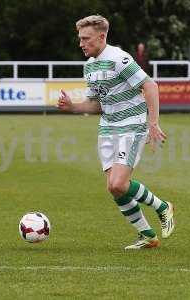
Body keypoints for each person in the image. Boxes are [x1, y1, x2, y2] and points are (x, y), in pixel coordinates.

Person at [58, 15, 175, 249]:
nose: (81, 43)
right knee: (113, 187)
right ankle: (148, 236)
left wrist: (153, 123)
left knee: (119, 184)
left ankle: (163, 207)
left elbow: (150, 86)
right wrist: (72, 107)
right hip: (107, 128)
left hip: (131, 125)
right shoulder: (89, 66)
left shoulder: (119, 59)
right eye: (80, 38)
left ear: (101, 37)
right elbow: (96, 105)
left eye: (86, 38)